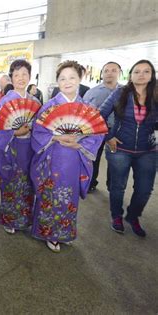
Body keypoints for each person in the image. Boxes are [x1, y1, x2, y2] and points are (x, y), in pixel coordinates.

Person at [30, 60, 103, 252]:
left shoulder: (87, 107)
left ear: (80, 78)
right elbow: (38, 132)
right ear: (57, 82)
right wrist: (55, 137)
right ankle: (49, 232)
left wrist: (78, 142)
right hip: (53, 157)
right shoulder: (49, 107)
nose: (67, 81)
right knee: (51, 193)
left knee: (69, 196)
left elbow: (97, 132)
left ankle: (65, 231)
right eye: (62, 78)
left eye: (72, 77)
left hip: (74, 158)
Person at [99, 59, 157, 237]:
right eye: (137, 71)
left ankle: (133, 216)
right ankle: (117, 216)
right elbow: (99, 115)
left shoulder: (156, 94)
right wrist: (108, 137)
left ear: (152, 75)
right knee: (118, 186)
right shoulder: (120, 93)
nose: (141, 74)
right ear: (130, 75)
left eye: (146, 71)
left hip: (147, 150)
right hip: (120, 148)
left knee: (144, 189)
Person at [0, 60, 39, 235]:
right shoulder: (5, 101)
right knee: (12, 182)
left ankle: (25, 218)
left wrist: (32, 129)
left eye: (24, 74)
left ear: (30, 76)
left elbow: (42, 126)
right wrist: (15, 133)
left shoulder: (34, 101)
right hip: (12, 147)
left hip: (30, 147)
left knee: (28, 182)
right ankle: (10, 219)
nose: (21, 78)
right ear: (11, 77)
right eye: (17, 74)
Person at [83, 61, 122, 192]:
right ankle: (90, 183)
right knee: (93, 158)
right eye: (106, 71)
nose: (109, 73)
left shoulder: (126, 92)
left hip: (118, 131)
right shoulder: (91, 92)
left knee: (116, 161)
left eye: (114, 70)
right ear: (101, 74)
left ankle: (112, 186)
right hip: (96, 131)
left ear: (119, 73)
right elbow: (84, 114)